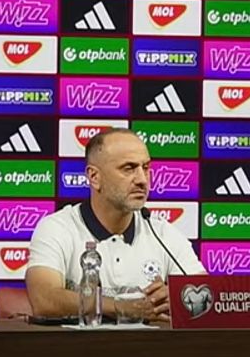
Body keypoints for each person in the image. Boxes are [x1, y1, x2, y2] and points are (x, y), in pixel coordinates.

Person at [26, 128, 206, 322]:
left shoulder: (162, 233)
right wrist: (120, 307)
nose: (142, 180)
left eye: (145, 168)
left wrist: (179, 298)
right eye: (128, 168)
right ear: (94, 177)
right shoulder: (57, 228)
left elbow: (209, 295)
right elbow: (44, 300)